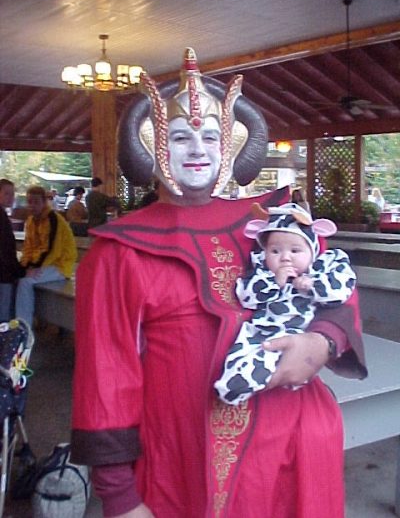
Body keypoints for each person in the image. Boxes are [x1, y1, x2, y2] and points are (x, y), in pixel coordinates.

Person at [71, 48, 366, 518]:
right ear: (152, 144)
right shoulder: (117, 251)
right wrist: (121, 496)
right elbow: (105, 379)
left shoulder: (271, 220)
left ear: (228, 145)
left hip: (297, 445)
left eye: (210, 136)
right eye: (181, 136)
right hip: (185, 462)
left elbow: (337, 285)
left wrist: (323, 342)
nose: (197, 150)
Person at [215, 202, 357, 405]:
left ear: (311, 250)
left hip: (294, 331)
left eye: (295, 251)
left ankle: (259, 382)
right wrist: (275, 282)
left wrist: (313, 285)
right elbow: (246, 296)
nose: (285, 258)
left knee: (274, 362)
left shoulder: (323, 267)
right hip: (258, 331)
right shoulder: (263, 272)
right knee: (240, 361)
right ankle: (231, 388)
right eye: (275, 251)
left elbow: (342, 291)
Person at [15, 186, 77, 327]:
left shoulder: (53, 219)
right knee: (18, 276)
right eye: (30, 202)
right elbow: (29, 247)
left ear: (44, 202)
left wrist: (34, 268)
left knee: (25, 282)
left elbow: (51, 250)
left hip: (60, 265)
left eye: (36, 202)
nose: (32, 206)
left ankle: (23, 328)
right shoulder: (30, 221)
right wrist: (25, 266)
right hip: (45, 263)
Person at [0, 179, 25, 321]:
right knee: (4, 317)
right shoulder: (2, 217)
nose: (11, 197)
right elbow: (5, 250)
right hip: (4, 274)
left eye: (12, 194)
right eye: (6, 193)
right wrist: (20, 271)